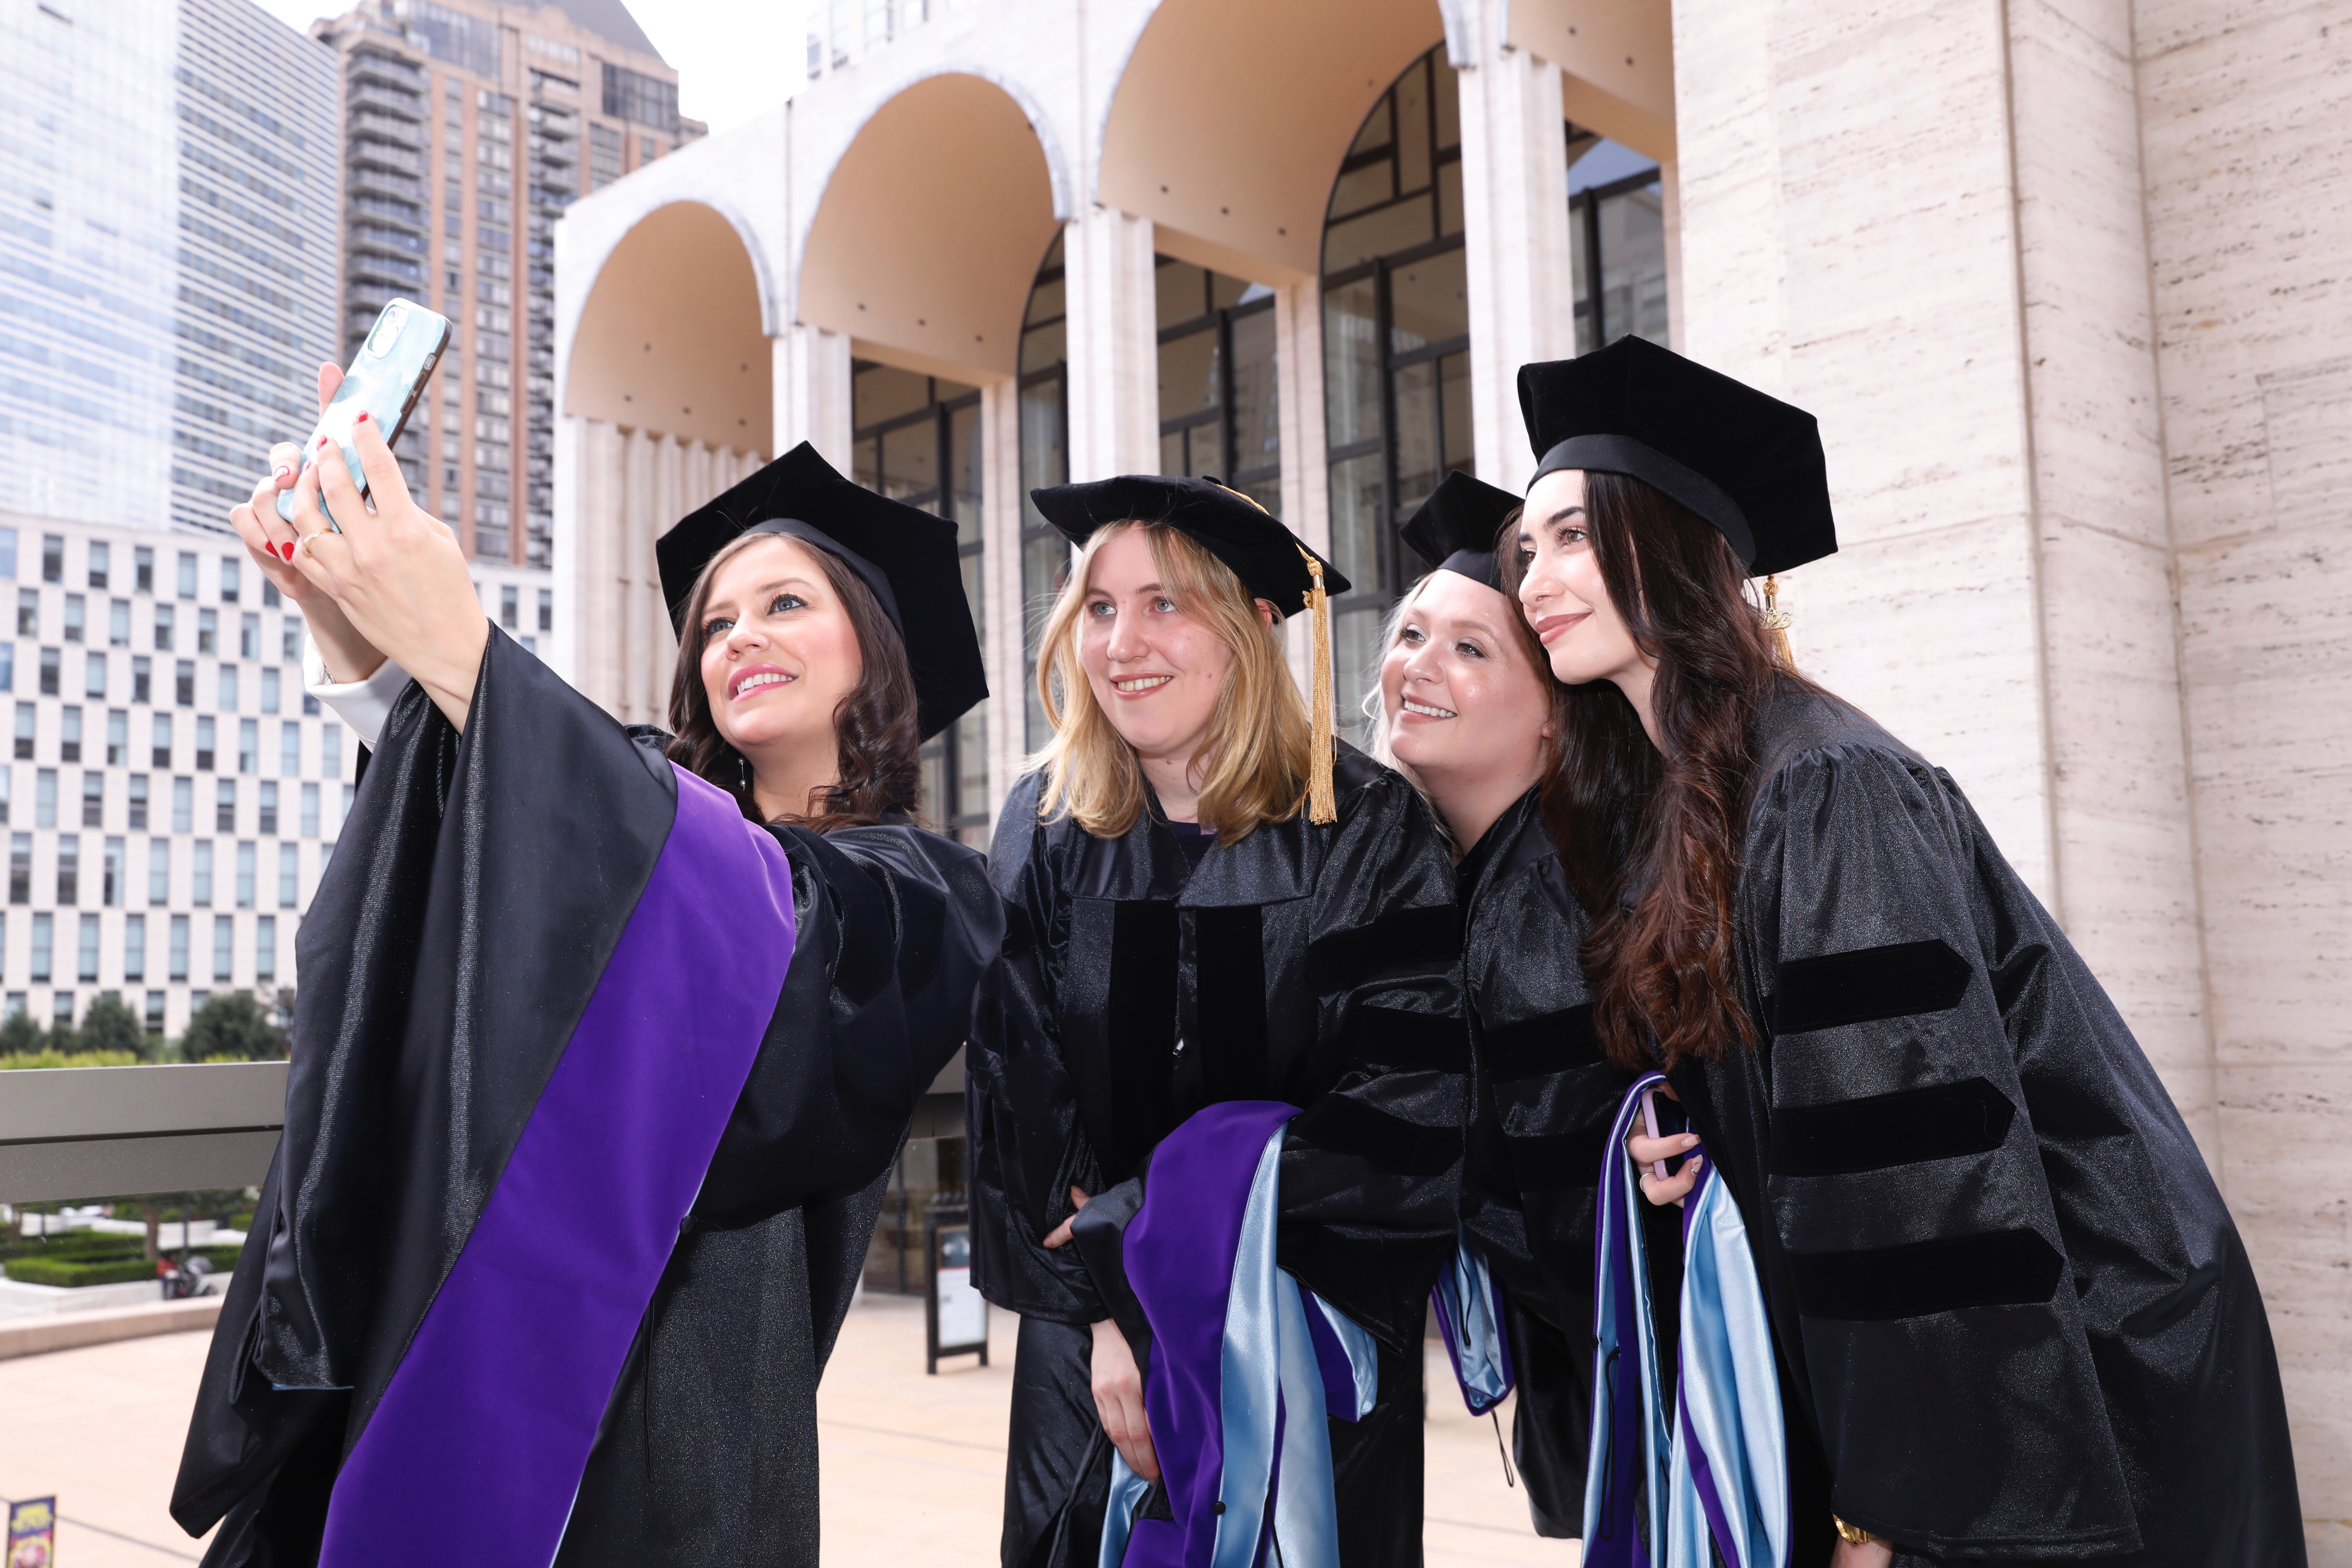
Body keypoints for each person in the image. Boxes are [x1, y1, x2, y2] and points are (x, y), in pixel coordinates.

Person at [1507, 335, 2303, 1566]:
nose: (1533, 579)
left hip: (2068, 1376)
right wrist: (1692, 1138)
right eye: (1526, 549)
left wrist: (1889, 1510)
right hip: (1948, 1389)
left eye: (1570, 535)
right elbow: (1818, 1124)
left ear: (1666, 544)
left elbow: (1922, 1183)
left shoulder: (1827, 786)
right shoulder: (1686, 796)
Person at [171, 394, 1003, 1568]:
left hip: (688, 1436)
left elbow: (758, 943)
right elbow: (493, 859)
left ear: (878, 644)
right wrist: (360, 645)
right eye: (714, 623)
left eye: (784, 605)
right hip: (464, 1337)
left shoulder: (930, 889)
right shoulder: (651, 798)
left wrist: (466, 651)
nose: (736, 640)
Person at [966, 476, 1464, 1568]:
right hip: (1096, 1363)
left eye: (1166, 604)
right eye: (1099, 608)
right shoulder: (1046, 829)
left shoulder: (1364, 828)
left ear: (1250, 629)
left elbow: (1409, 1109)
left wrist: (1163, 1239)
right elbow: (1021, 1101)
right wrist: (1112, 1318)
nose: (1123, 642)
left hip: (1303, 1335)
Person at [1369, 471, 1628, 1539]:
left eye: (1472, 649)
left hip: (1654, 1381)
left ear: (1558, 724)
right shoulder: (1455, 884)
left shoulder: (1569, 902)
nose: (1417, 666)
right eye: (1412, 632)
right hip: (1591, 1382)